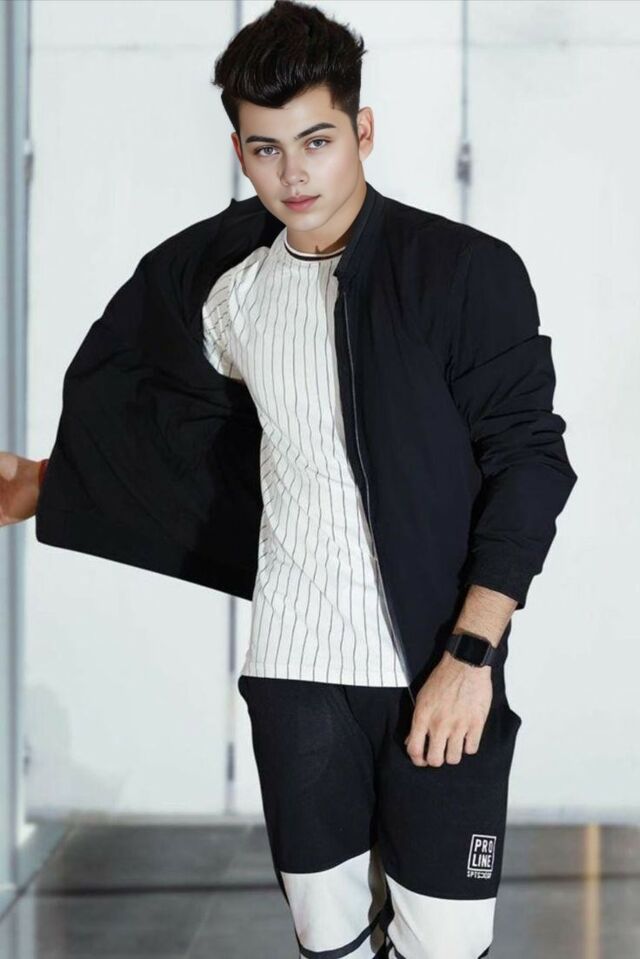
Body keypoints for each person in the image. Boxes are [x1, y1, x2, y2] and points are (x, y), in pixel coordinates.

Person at [0, 1, 578, 956]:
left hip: (436, 666)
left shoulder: (463, 273)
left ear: (363, 130)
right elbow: (190, 441)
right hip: (295, 674)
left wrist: (472, 656)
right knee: (329, 946)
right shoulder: (232, 294)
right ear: (240, 153)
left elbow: (531, 462)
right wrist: (43, 481)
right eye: (266, 150)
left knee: (444, 945)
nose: (293, 174)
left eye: (316, 141)